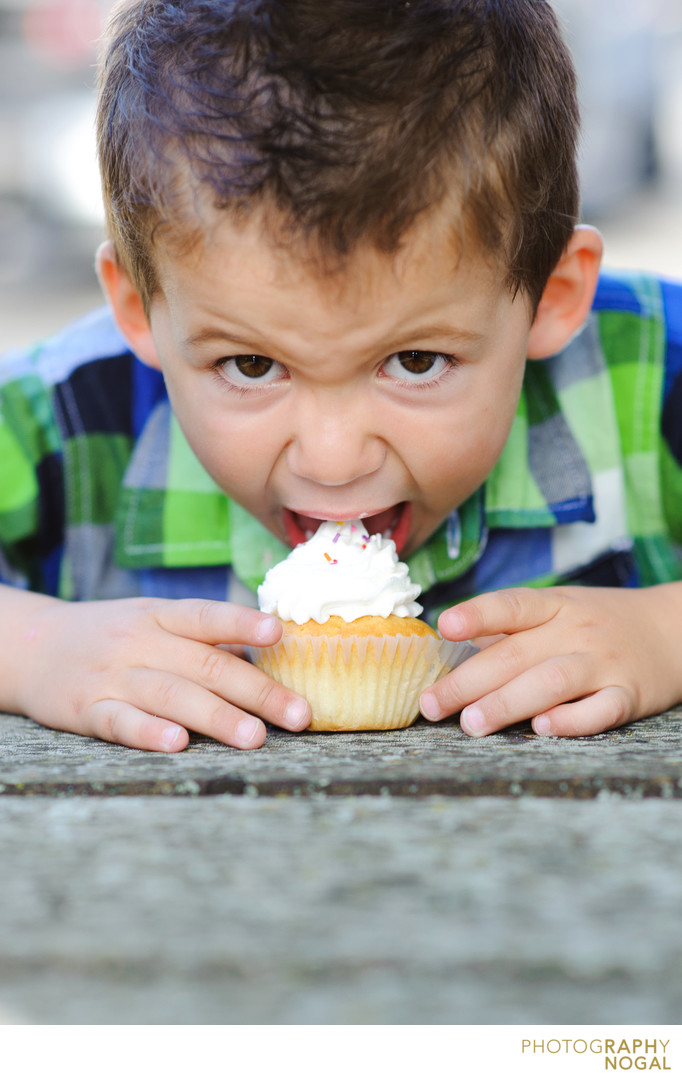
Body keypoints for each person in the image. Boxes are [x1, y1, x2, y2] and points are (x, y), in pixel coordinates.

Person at [1, 0, 681, 753]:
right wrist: (33, 648)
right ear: (141, 305)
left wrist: (663, 630)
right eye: (251, 365)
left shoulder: (650, 372)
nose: (332, 457)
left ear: (551, 297)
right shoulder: (65, 415)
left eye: (416, 361)